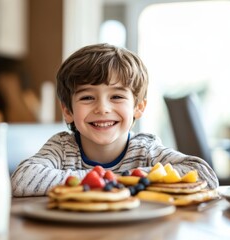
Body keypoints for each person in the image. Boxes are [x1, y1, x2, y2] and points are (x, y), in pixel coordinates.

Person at [11, 43, 219, 197]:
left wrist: (129, 177)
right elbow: (21, 180)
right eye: (87, 98)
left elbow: (206, 175)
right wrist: (110, 180)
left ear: (138, 107)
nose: (102, 108)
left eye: (117, 97)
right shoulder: (62, 148)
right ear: (68, 111)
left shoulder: (145, 149)